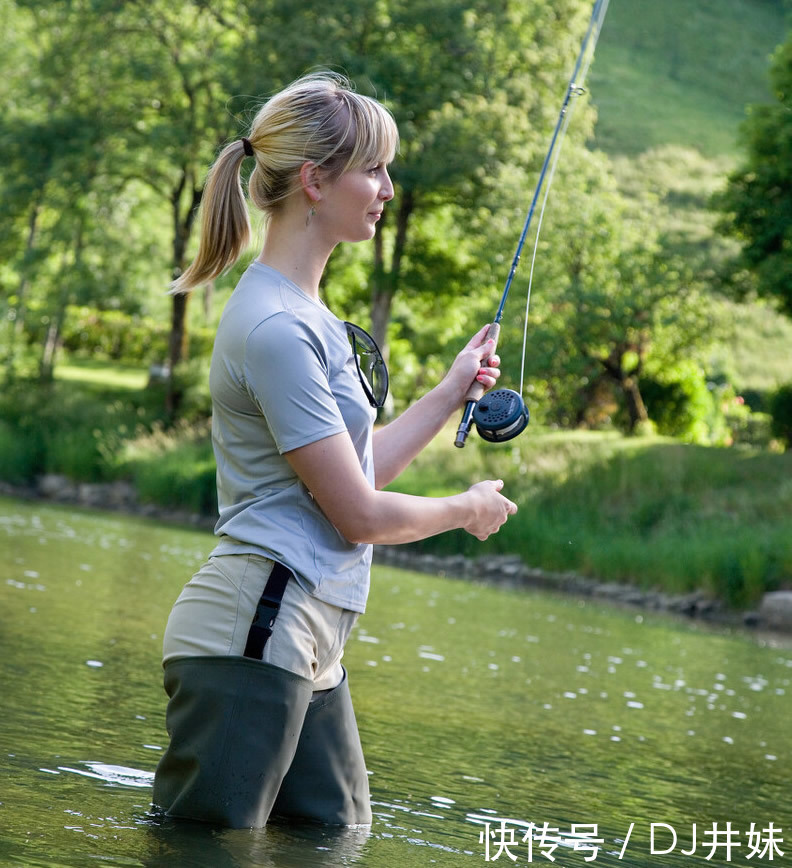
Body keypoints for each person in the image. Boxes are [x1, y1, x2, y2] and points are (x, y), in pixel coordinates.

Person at [151, 71, 517, 830]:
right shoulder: (276, 328)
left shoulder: (307, 316)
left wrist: (451, 392)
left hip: (308, 632)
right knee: (205, 849)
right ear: (316, 181)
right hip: (257, 628)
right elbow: (355, 513)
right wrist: (467, 509)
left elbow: (349, 475)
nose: (388, 187)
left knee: (334, 836)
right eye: (374, 168)